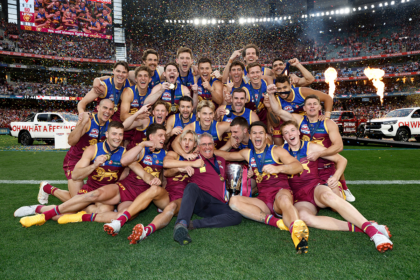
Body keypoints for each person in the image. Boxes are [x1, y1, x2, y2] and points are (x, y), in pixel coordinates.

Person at [279, 120, 393, 252]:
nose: (290, 134)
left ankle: (374, 233)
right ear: (283, 137)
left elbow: (342, 159)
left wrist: (336, 176)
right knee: (305, 218)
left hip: (315, 188)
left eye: (292, 130)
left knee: (329, 196)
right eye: (286, 133)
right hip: (299, 197)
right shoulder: (281, 152)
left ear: (298, 132)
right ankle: (367, 227)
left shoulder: (311, 147)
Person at [214, 122, 309, 253]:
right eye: (254, 133)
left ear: (265, 136)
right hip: (263, 199)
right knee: (234, 201)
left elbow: (298, 166)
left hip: (279, 194)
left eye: (260, 133)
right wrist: (205, 149)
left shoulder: (276, 150)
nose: (257, 136)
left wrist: (278, 168)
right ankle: (276, 222)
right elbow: (226, 155)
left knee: (284, 200)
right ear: (250, 136)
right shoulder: (247, 153)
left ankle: (299, 236)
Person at [18, 122, 127, 227]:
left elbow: (126, 174)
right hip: (90, 189)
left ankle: (79, 211)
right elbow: (75, 175)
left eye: (120, 134)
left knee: (104, 211)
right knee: (59, 216)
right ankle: (37, 209)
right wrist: (94, 165)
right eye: (114, 133)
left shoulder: (125, 153)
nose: (117, 137)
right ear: (107, 134)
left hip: (106, 194)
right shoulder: (93, 149)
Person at [107, 130, 204, 243]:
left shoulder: (199, 159)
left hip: (182, 199)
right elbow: (167, 167)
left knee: (172, 206)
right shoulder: (173, 154)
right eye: (184, 139)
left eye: (190, 140)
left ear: (195, 144)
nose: (187, 143)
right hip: (168, 195)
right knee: (154, 189)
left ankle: (145, 232)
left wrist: (193, 162)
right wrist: (183, 167)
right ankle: (119, 221)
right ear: (180, 142)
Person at [267, 89, 355, 202]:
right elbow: (279, 111)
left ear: (319, 107)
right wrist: (270, 94)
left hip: (325, 168)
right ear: (304, 108)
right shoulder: (298, 120)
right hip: (307, 168)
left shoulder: (328, 123)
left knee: (335, 202)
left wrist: (319, 153)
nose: (312, 106)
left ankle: (342, 186)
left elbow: (339, 146)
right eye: (308, 104)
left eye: (315, 104)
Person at [173, 132, 243, 245]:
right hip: (200, 198)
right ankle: (181, 223)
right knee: (191, 186)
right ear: (199, 147)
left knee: (236, 216)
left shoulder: (221, 160)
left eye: (210, 144)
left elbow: (234, 174)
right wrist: (182, 167)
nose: (207, 147)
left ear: (214, 145)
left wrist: (249, 172)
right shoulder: (194, 160)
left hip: (215, 203)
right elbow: (168, 171)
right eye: (204, 144)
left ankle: (193, 224)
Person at [120, 66, 153, 145]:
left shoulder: (152, 93)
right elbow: (123, 116)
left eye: (145, 76)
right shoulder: (129, 92)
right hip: (129, 125)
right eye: (140, 76)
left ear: (149, 79)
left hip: (143, 125)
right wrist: (138, 116)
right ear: (136, 79)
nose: (143, 78)